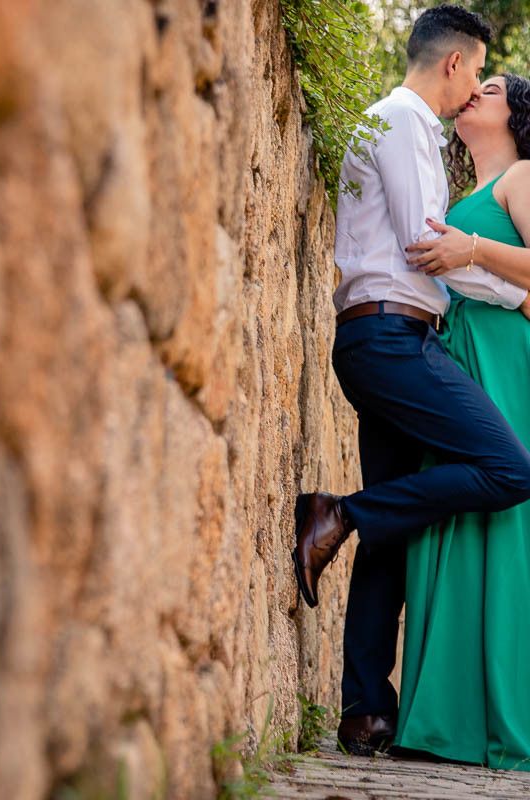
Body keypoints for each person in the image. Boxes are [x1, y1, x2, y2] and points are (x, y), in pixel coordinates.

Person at [290, 5, 530, 756]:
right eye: (477, 77)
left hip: (400, 336)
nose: (473, 95)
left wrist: (489, 275)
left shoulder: (418, 131)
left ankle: (366, 710)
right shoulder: (400, 121)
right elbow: (426, 245)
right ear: (455, 64)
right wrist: (484, 268)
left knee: (399, 529)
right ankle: (341, 513)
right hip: (392, 337)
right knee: (506, 468)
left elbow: (447, 250)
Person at [393, 73, 530, 770]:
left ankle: (502, 719)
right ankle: (446, 718)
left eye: (496, 87)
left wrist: (471, 251)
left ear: (519, 115)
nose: (476, 89)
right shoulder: (461, 196)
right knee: (451, 517)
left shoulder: (523, 176)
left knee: (504, 518)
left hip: (509, 366)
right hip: (462, 360)